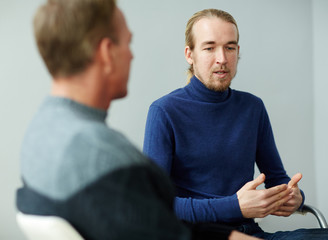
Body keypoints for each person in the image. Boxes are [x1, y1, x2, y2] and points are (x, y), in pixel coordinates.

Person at [15, 1, 258, 239]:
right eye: (128, 43)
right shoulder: (103, 156)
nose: (131, 55)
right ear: (107, 53)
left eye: (230, 47)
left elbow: (160, 226)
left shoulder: (42, 129)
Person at [143, 8, 328, 239]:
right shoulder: (164, 111)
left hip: (251, 233)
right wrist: (235, 206)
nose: (222, 59)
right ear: (190, 54)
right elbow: (153, 204)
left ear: (237, 51)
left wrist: (294, 197)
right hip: (198, 235)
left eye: (230, 47)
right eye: (210, 48)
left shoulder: (253, 108)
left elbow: (278, 180)